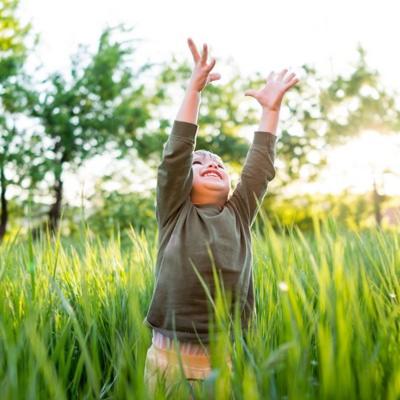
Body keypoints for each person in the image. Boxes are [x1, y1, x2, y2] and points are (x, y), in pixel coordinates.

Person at [143, 37, 299, 395]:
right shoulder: (175, 213)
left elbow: (260, 168)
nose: (210, 164)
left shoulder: (239, 214)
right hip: (168, 360)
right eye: (200, 163)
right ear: (185, 180)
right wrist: (194, 92)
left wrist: (270, 111)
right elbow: (176, 154)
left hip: (228, 358)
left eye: (218, 164)